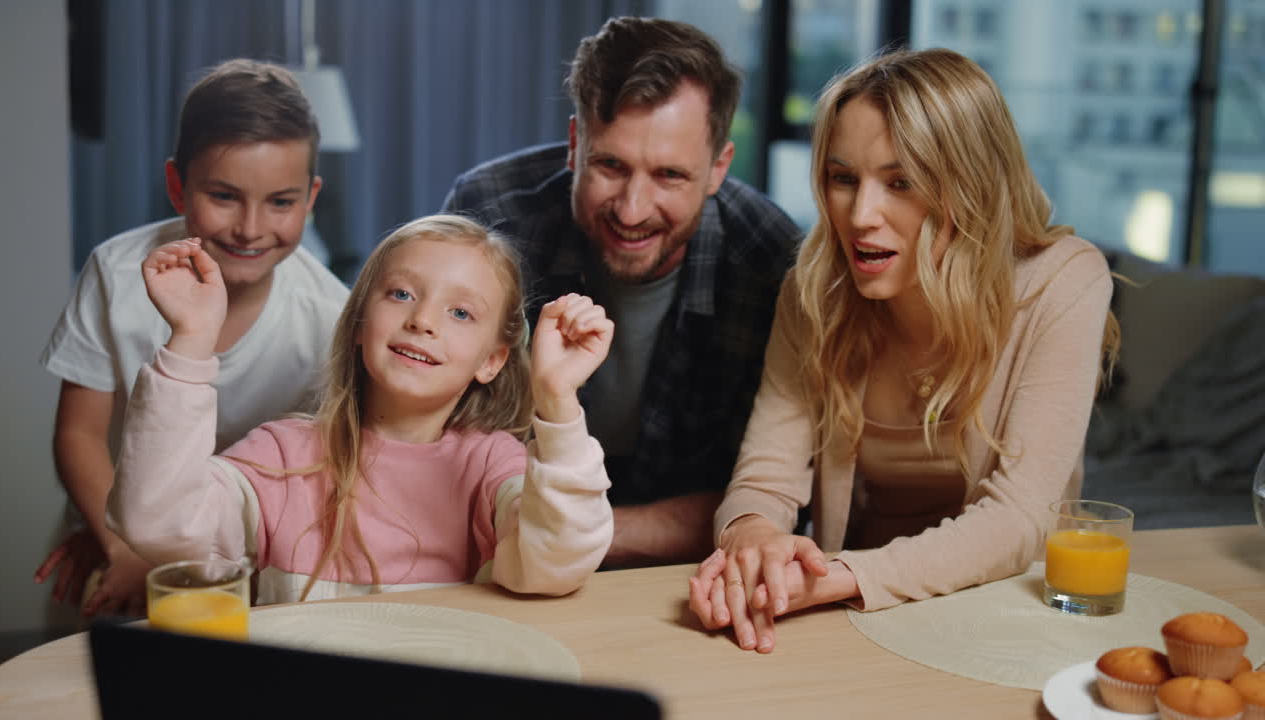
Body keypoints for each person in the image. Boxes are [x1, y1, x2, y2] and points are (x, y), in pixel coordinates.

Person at [688, 48, 1121, 652]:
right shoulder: (815, 286)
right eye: (843, 178)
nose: (861, 215)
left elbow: (1021, 519)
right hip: (851, 616)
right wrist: (752, 538)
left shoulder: (1064, 281)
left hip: (995, 618)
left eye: (901, 183)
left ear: (969, 187)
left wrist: (839, 578)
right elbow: (766, 474)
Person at [442, 17, 802, 567]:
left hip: (670, 578)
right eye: (610, 165)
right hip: (492, 557)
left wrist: (561, 535)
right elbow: (426, 431)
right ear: (574, 144)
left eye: (669, 176)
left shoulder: (770, 261)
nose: (632, 210)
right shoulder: (490, 212)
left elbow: (757, 499)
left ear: (718, 169)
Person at [107, 215, 615, 603]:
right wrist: (192, 344)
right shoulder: (279, 456)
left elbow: (558, 563)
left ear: (492, 360)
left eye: (460, 312)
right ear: (357, 322)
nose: (422, 320)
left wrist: (557, 401)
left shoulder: (493, 466)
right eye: (400, 293)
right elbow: (158, 524)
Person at [36, 59, 350, 616]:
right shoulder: (116, 273)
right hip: (111, 538)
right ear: (177, 186)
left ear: (311, 196)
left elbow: (318, 474)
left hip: (255, 559)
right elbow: (79, 435)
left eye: (280, 201)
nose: (250, 228)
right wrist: (124, 546)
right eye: (225, 196)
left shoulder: (329, 316)